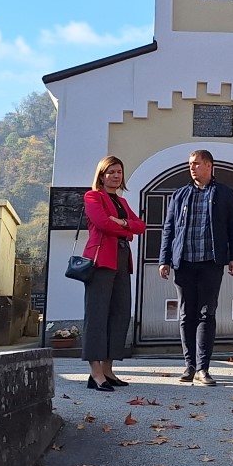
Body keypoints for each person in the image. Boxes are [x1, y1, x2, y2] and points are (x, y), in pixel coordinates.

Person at [158, 150, 233, 386]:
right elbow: (168, 228)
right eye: (190, 164)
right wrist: (164, 259)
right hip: (183, 263)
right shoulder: (180, 195)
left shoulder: (224, 194)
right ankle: (189, 366)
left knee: (206, 313)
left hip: (210, 263)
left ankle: (203, 368)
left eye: (196, 164)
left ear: (209, 165)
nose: (192, 168)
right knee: (186, 315)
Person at [82, 155, 145, 392]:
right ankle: (95, 373)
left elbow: (140, 226)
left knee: (119, 314)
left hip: (121, 260)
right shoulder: (92, 197)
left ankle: (108, 370)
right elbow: (102, 223)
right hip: (100, 261)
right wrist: (126, 226)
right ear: (101, 175)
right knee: (97, 314)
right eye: (111, 172)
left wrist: (122, 223)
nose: (116, 176)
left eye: (119, 171)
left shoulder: (122, 202)